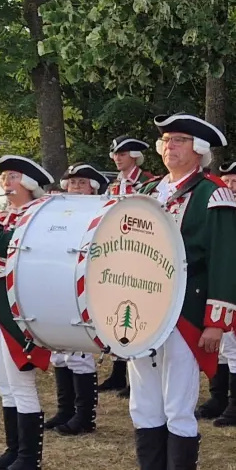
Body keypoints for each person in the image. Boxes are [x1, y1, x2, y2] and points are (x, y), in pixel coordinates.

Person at [109, 113, 236, 470]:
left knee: (177, 407)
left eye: (180, 140)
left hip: (187, 314)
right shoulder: (148, 192)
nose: (170, 147)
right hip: (142, 311)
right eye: (166, 140)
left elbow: (225, 259)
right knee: (143, 403)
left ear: (199, 149)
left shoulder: (213, 195)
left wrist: (216, 321)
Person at [0, 156, 57, 470]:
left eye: (12, 177)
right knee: (4, 384)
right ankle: (14, 450)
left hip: (17, 304)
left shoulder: (35, 215)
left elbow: (2, 244)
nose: (4, 183)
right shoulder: (7, 215)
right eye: (4, 178)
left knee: (21, 383)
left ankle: (28, 461)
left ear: (28, 184)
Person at [44, 163, 111, 437]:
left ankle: (84, 417)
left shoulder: (102, 213)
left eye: (81, 183)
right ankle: (65, 409)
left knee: (80, 352)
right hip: (58, 282)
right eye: (71, 183)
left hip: (84, 285)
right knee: (59, 351)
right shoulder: (60, 213)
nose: (74, 188)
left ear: (93, 188)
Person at [198, 160, 236, 427]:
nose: (229, 185)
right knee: (219, 346)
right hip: (217, 282)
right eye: (226, 180)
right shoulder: (217, 209)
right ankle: (218, 398)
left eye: (235, 181)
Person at [96, 136, 157, 398]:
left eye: (122, 153)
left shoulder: (148, 182)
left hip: (139, 253)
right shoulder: (114, 185)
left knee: (136, 311)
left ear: (134, 155)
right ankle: (118, 372)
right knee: (116, 311)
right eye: (115, 153)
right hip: (116, 252)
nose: (117, 157)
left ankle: (135, 376)